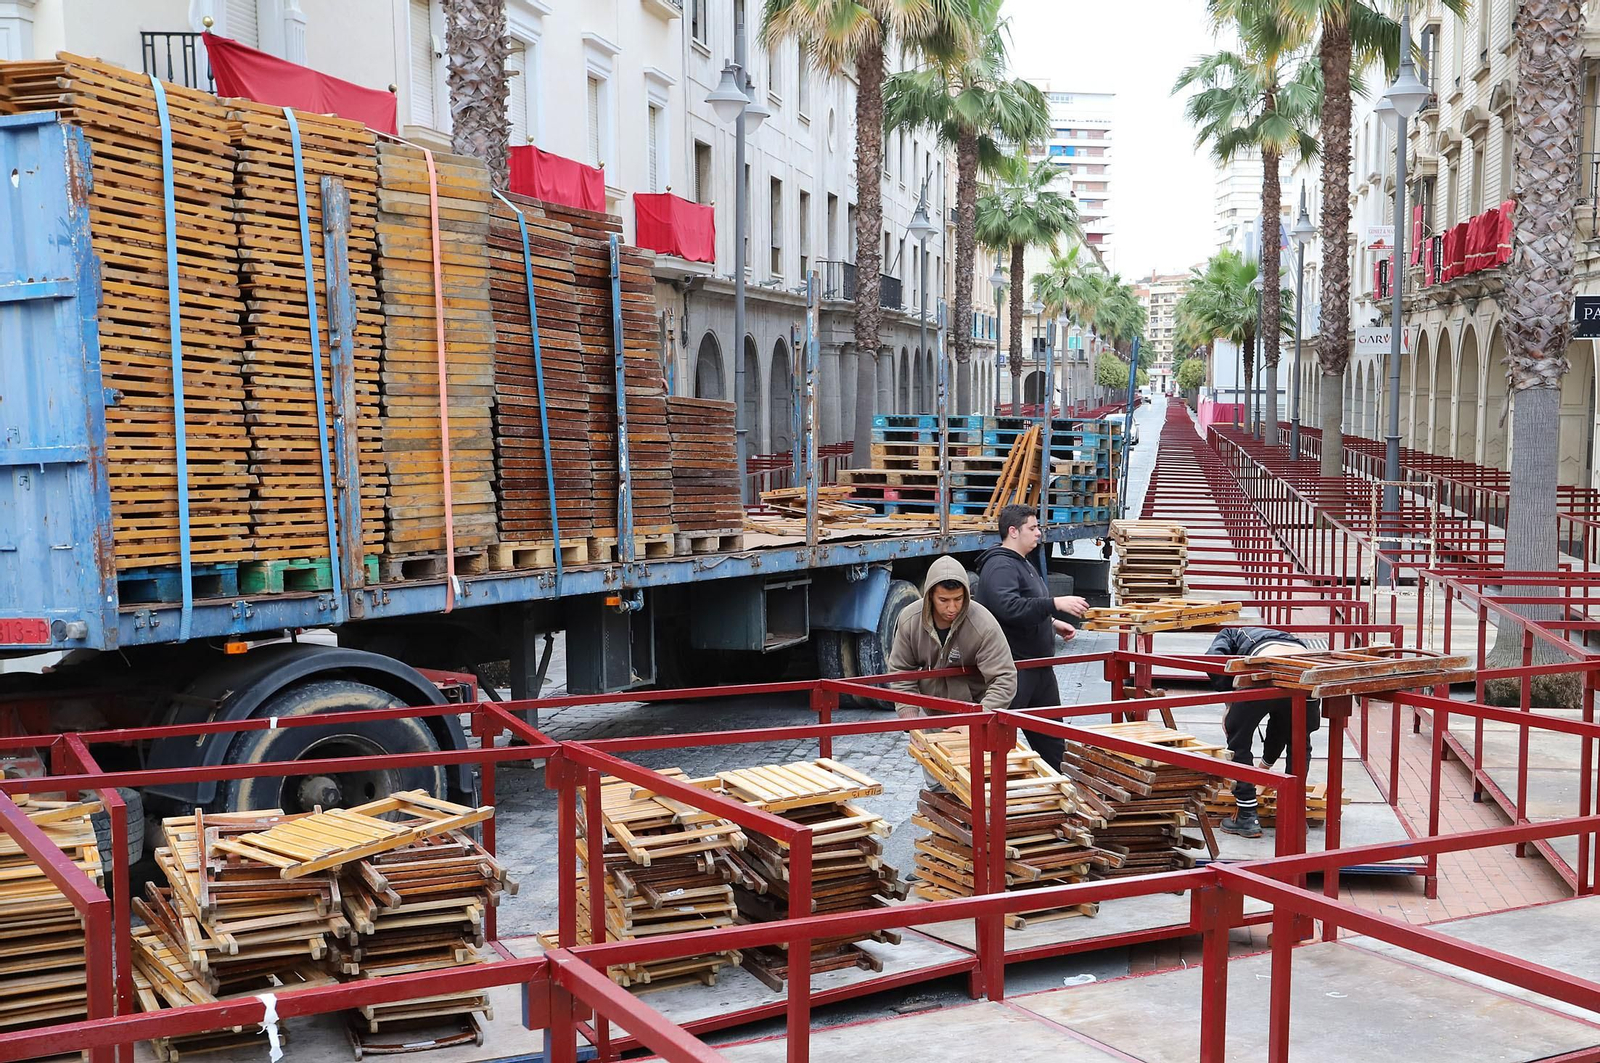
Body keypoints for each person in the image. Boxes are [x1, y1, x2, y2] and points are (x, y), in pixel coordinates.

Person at [971, 505, 1091, 769]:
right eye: (1032, 528)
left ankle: (1067, 792)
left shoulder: (1021, 562)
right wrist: (1054, 604)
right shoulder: (1000, 565)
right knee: (997, 739)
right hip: (1014, 669)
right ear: (1013, 531)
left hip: (1038, 668)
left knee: (1053, 743)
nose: (1038, 533)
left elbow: (1027, 603)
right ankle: (988, 796)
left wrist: (1052, 623)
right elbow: (1008, 607)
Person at [1206, 627, 1322, 839]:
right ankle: (1294, 817)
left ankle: (1247, 816)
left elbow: (1213, 659)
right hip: (1304, 674)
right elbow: (1281, 725)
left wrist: (1229, 701)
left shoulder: (1232, 633)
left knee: (1238, 741)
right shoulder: (1289, 639)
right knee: (1299, 740)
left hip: (1262, 669)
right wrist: (1265, 766)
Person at [886, 556, 1017, 719]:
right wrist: (911, 720)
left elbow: (1004, 678)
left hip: (975, 714)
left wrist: (979, 717)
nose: (952, 607)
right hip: (931, 716)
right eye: (943, 600)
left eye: (958, 599)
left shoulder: (984, 625)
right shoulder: (910, 620)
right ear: (930, 595)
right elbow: (901, 672)